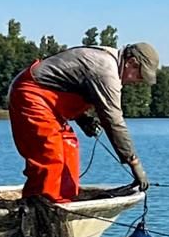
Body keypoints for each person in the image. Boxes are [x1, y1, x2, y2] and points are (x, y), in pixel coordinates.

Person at [8, 43, 157, 202]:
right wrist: (134, 163)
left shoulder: (108, 62)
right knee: (50, 156)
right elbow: (113, 121)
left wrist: (81, 117)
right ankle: (41, 207)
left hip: (48, 101)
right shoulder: (106, 71)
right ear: (131, 63)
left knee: (69, 147)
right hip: (31, 94)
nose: (137, 82)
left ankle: (62, 202)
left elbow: (67, 83)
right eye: (139, 76)